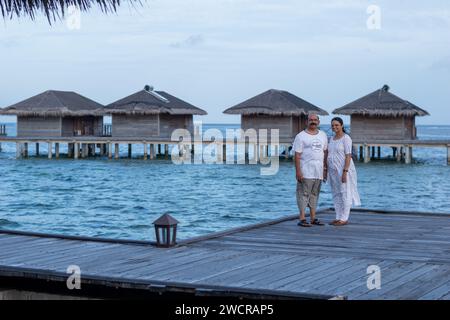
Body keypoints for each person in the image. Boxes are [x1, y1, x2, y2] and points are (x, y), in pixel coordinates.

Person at [293, 113, 328, 227]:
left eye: (315, 120)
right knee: (303, 194)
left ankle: (313, 218)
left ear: (318, 121)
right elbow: (297, 156)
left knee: (314, 194)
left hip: (318, 171)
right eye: (310, 120)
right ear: (306, 121)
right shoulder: (300, 136)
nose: (313, 122)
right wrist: (298, 171)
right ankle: (302, 218)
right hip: (306, 170)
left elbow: (325, 152)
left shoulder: (323, 135)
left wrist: (325, 169)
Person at [327, 117, 361, 226]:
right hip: (332, 170)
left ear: (341, 125)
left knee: (345, 193)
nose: (334, 127)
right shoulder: (331, 139)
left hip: (343, 169)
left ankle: (344, 218)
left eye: (336, 125)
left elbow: (348, 156)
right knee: (336, 193)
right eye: (332, 125)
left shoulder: (346, 138)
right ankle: (338, 217)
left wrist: (345, 172)